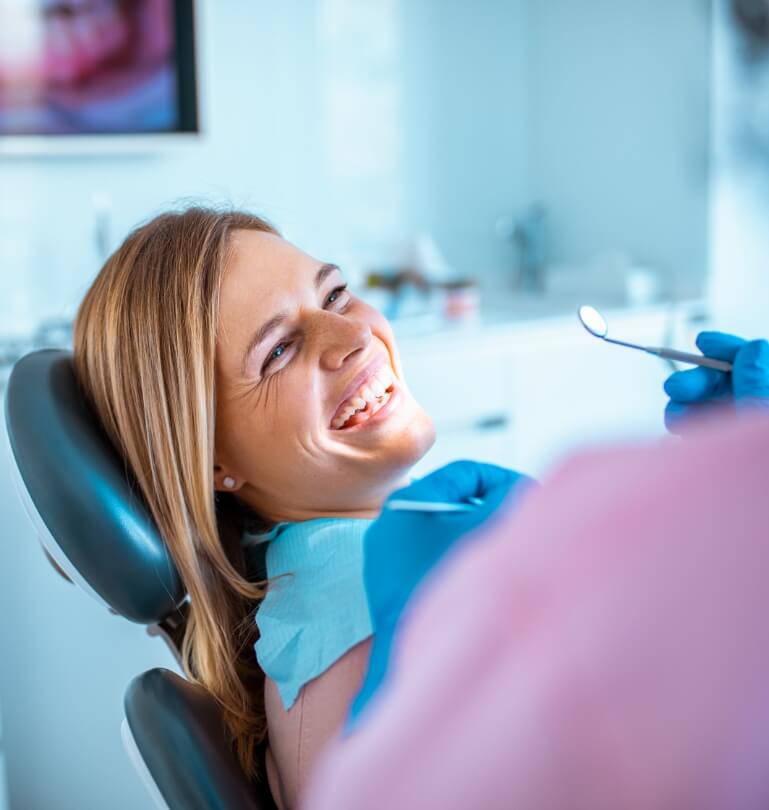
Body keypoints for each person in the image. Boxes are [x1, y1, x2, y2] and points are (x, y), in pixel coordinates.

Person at [73, 207, 524, 808]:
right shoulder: (359, 631)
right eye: (279, 351)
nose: (355, 336)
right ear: (212, 461)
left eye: (335, 295)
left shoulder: (336, 591)